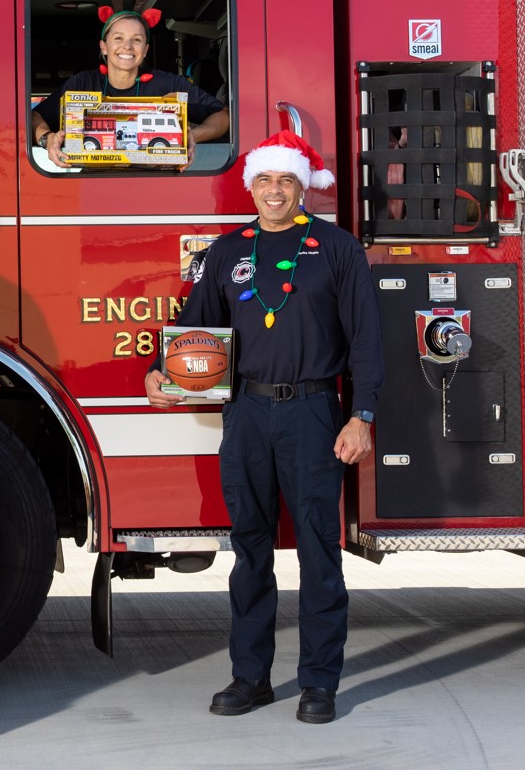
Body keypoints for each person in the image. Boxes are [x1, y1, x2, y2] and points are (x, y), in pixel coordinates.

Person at [145, 131, 382, 725]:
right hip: (246, 415)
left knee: (318, 551)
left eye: (286, 181)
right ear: (250, 186)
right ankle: (250, 677)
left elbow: (367, 341)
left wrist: (362, 415)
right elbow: (196, 324)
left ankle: (319, 683)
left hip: (313, 413)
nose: (274, 191)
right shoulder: (227, 252)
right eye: (264, 180)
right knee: (250, 551)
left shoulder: (336, 248)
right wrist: (160, 370)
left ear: (302, 186)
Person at [29, 10, 229, 168]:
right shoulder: (81, 83)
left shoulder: (169, 84)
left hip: (160, 186)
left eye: (137, 39)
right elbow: (33, 117)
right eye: (118, 38)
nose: (127, 46)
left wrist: (192, 135)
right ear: (104, 47)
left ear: (145, 50)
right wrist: (47, 139)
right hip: (92, 186)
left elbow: (223, 117)